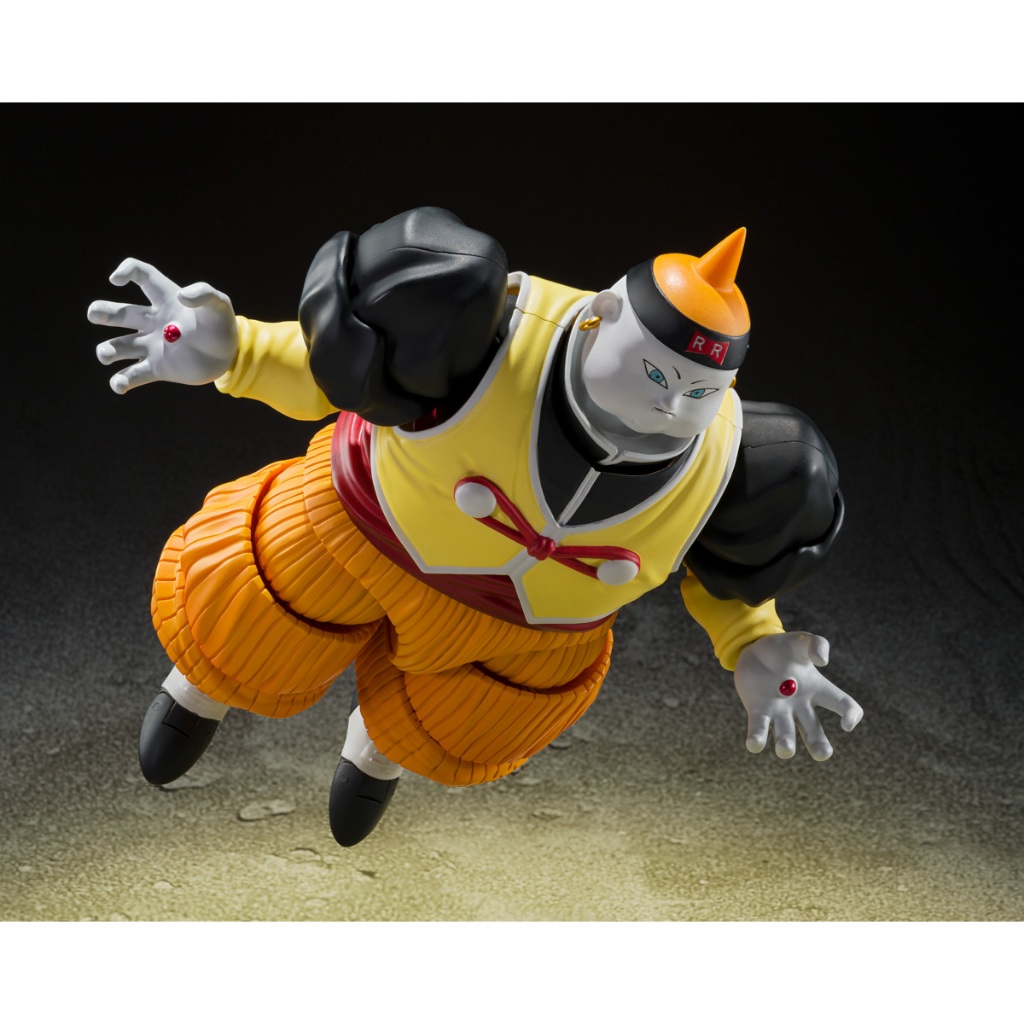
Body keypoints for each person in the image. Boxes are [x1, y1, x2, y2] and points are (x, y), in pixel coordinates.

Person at [88, 207, 863, 847]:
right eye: (655, 372)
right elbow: (335, 369)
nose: (669, 405)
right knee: (250, 612)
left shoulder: (743, 460)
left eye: (699, 392)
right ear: (598, 318)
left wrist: (752, 643)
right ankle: (198, 693)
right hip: (362, 528)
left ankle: (376, 751)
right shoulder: (482, 323)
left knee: (463, 719)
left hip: (525, 632)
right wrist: (238, 350)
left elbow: (719, 569)